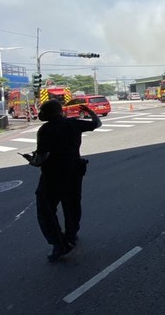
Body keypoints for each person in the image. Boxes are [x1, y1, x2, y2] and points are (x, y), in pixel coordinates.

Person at [28, 99, 102, 262]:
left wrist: (32, 161)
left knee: (46, 209)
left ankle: (59, 244)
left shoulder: (45, 130)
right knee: (72, 205)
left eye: (42, 111)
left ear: (47, 114)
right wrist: (90, 113)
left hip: (53, 175)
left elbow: (42, 157)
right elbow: (97, 123)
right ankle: (71, 235)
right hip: (74, 171)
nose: (39, 114)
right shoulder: (73, 124)